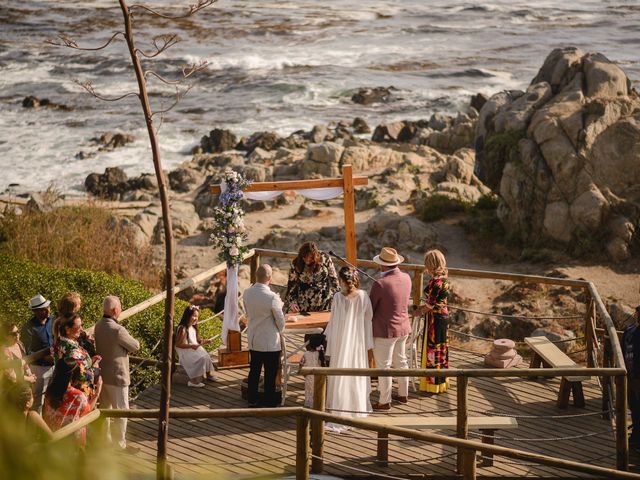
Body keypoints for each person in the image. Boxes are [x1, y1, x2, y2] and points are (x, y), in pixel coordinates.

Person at [324, 266, 374, 431]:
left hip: (340, 341)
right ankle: (356, 406)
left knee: (340, 372)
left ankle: (340, 406)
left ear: (341, 280)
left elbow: (333, 321)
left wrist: (329, 345)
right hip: (357, 340)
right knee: (356, 370)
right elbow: (369, 317)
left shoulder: (337, 298)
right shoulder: (363, 296)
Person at [94, 296, 140, 454]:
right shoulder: (118, 329)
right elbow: (135, 346)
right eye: (120, 307)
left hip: (103, 374)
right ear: (115, 310)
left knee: (105, 410)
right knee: (121, 411)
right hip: (118, 376)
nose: (121, 309)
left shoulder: (98, 326)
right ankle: (119, 444)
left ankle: (104, 441)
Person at [369, 247, 412, 410]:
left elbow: (370, 309)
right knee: (401, 361)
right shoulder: (407, 278)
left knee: (383, 366)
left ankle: (384, 401)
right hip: (403, 327)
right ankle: (403, 394)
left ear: (382, 265)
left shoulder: (379, 283)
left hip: (385, 330)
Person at [243, 264, 285, 407]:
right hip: (270, 341)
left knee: (254, 371)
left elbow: (249, 313)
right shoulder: (272, 297)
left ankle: (252, 399)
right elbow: (281, 323)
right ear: (270, 278)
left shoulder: (247, 293)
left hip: (254, 338)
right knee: (270, 372)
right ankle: (269, 400)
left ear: (256, 276)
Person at [414, 249, 450, 393]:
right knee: (441, 348)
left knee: (433, 348)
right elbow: (436, 302)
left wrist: (417, 311)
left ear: (430, 264)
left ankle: (433, 384)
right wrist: (424, 306)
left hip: (435, 319)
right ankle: (441, 381)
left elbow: (430, 304)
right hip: (443, 316)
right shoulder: (445, 279)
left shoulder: (435, 282)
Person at [43, 358, 101, 446]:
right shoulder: (77, 395)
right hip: (70, 442)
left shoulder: (49, 390)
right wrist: (97, 394)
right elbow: (88, 411)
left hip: (51, 436)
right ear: (73, 375)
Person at [21, 294, 55, 412]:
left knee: (52, 399)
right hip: (39, 369)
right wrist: (45, 358)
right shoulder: (28, 328)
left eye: (48, 307)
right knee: (38, 402)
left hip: (54, 366)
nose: (47, 310)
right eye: (43, 309)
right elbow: (27, 352)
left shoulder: (53, 321)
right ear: (35, 311)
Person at [54, 314, 99, 402]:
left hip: (64, 387)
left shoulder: (60, 342)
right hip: (77, 393)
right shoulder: (72, 350)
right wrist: (95, 367)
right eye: (78, 326)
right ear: (67, 329)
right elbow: (81, 375)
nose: (82, 329)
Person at [284, 241, 339, 313]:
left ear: (315, 256)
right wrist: (292, 303)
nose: (307, 261)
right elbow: (291, 286)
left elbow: (334, 279)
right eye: (304, 258)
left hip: (324, 301)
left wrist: (339, 298)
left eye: (310, 258)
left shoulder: (325, 258)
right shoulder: (296, 264)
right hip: (304, 304)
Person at [174, 305, 217, 387]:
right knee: (202, 358)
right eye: (194, 316)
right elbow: (178, 344)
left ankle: (209, 375)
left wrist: (205, 341)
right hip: (185, 352)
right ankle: (193, 381)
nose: (196, 318)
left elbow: (197, 341)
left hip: (192, 348)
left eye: (197, 317)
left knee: (206, 355)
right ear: (188, 316)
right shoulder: (183, 329)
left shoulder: (193, 327)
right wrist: (191, 346)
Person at [54, 292, 96, 357]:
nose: (80, 306)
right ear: (74, 307)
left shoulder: (58, 319)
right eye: (79, 304)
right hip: (75, 353)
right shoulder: (67, 321)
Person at [622, 303, 640, 448]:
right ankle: (636, 437)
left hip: (634, 376)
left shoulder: (630, 331)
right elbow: (622, 353)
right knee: (634, 407)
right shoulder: (629, 331)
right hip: (631, 376)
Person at [299, 334, 326, 408]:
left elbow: (301, 365)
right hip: (318, 378)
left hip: (309, 378)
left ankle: (309, 405)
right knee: (318, 392)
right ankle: (319, 405)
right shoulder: (320, 355)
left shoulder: (306, 354)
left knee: (309, 393)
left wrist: (304, 374)